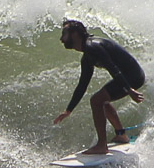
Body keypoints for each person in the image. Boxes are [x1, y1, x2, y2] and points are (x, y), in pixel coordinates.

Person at [51, 19, 146, 154]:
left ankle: (102, 145)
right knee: (102, 100)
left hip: (132, 77)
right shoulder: (87, 56)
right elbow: (82, 85)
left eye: (64, 34)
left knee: (96, 100)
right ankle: (121, 135)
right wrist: (69, 110)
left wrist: (129, 89)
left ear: (75, 34)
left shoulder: (92, 47)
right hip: (128, 77)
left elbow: (112, 68)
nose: (61, 39)